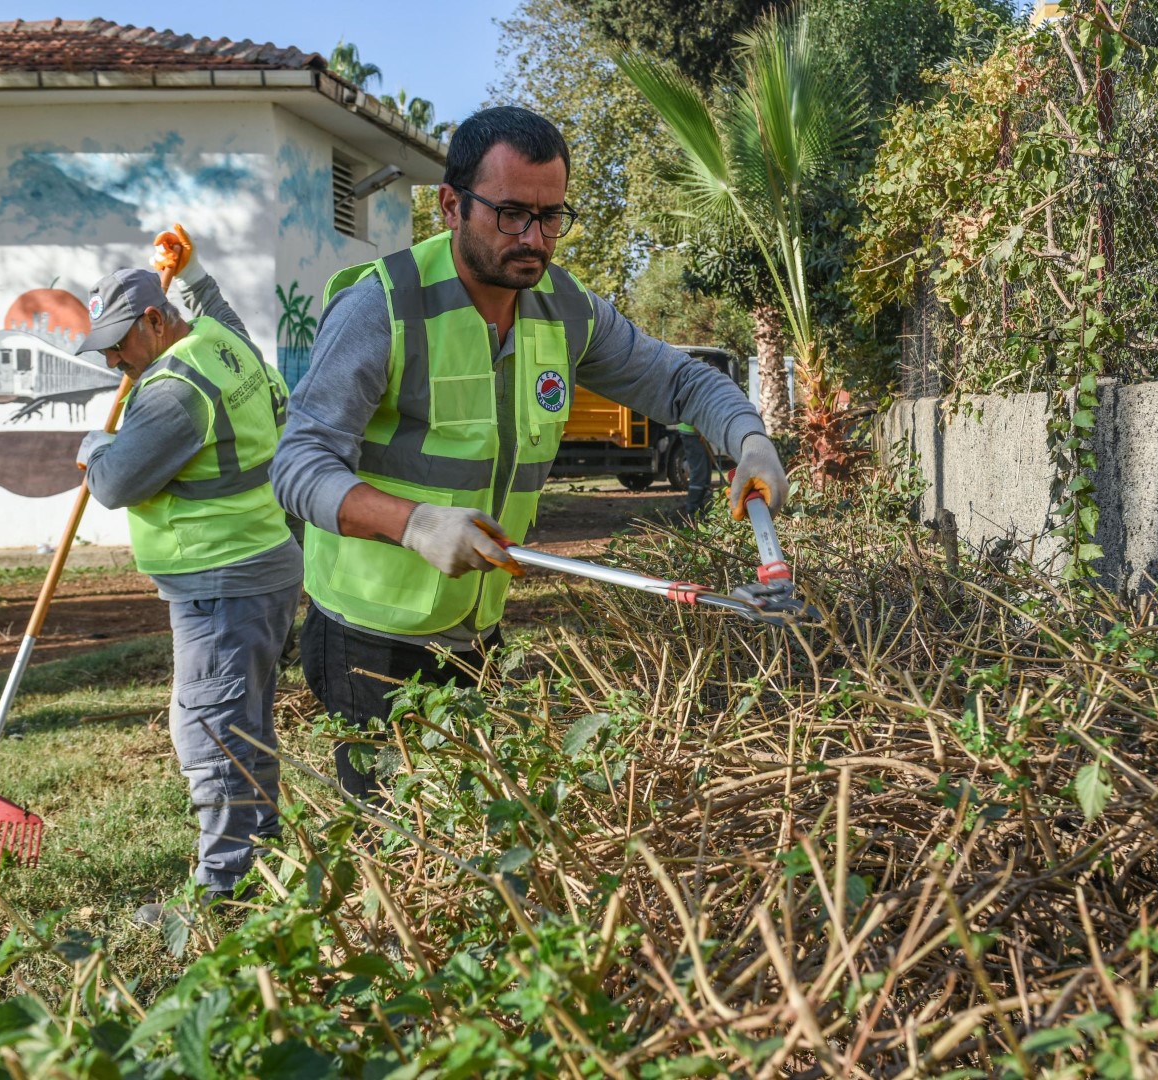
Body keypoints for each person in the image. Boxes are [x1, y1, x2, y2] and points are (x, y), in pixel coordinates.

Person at [272, 106, 789, 800]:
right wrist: (414, 523)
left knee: (473, 831)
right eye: (512, 214)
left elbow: (680, 379)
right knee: (404, 846)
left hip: (475, 627)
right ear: (452, 205)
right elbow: (298, 466)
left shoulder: (564, 308)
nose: (535, 240)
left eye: (552, 218)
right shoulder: (384, 308)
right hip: (369, 634)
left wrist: (748, 438)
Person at [75, 228, 301, 920]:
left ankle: (223, 893)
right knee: (243, 723)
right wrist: (192, 269)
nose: (113, 358)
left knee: (210, 733)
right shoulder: (222, 344)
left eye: (120, 341)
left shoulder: (174, 391)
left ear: (153, 319)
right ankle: (262, 861)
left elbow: (113, 483)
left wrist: (94, 444)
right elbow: (222, 307)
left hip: (221, 585)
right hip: (261, 568)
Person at [674, 422, 716, 519]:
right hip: (691, 430)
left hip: (695, 430)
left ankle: (700, 509)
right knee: (699, 473)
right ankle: (692, 511)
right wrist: (699, 428)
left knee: (705, 472)